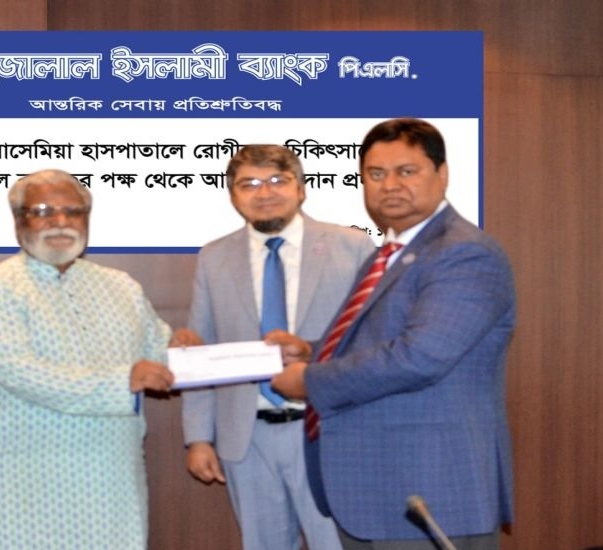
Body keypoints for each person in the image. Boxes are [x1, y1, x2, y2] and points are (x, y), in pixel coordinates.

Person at [271, 118, 516, 550]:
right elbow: (377, 339)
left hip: (432, 489)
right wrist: (309, 350)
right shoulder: (390, 252)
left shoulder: (464, 252)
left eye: (407, 171)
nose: (389, 186)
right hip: (379, 493)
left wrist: (310, 380)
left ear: (442, 174)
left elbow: (420, 356)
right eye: (376, 174)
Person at [0, 169, 176, 550]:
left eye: (73, 211)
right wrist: (124, 381)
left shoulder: (121, 286)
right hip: (21, 479)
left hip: (110, 478)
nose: (60, 221)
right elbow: (21, 372)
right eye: (43, 211)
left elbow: (158, 354)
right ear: (18, 221)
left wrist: (184, 351)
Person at [179, 144, 373, 550]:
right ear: (233, 196)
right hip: (246, 436)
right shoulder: (214, 257)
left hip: (326, 429)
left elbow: (371, 340)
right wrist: (198, 437)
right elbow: (200, 347)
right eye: (249, 184)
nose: (264, 192)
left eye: (277, 180)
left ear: (301, 188)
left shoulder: (352, 247)